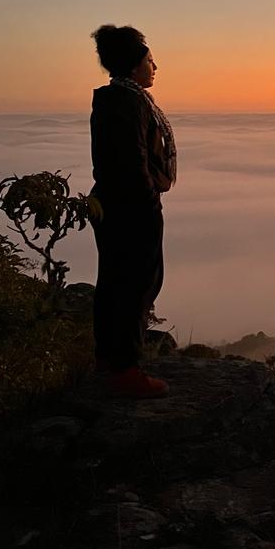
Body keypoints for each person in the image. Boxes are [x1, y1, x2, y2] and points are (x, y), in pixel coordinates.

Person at [89, 24, 177, 398]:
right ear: (135, 63)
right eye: (151, 60)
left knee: (116, 280)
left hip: (118, 203)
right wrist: (147, 201)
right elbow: (131, 161)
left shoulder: (121, 99)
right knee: (136, 283)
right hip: (131, 207)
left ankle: (111, 360)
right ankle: (125, 370)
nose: (155, 67)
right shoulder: (126, 103)